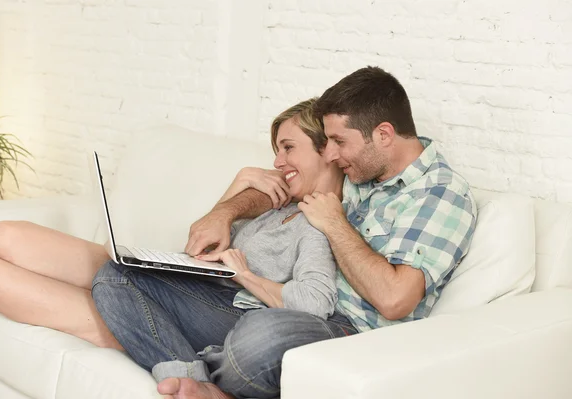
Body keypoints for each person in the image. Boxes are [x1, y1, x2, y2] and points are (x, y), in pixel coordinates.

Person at [148, 66, 478, 399]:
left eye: (338, 141)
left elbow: (395, 300)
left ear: (383, 135)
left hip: (350, 332)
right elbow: (281, 187)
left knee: (260, 336)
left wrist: (334, 222)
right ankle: (202, 381)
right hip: (286, 307)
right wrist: (226, 211)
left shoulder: (439, 195)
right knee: (122, 279)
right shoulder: (363, 165)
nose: (330, 154)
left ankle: (213, 372)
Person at [91, 98, 354, 391]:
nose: (278, 162)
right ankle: (190, 379)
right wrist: (240, 182)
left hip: (245, 313)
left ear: (326, 150)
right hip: (215, 297)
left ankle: (195, 383)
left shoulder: (320, 221)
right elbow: (205, 240)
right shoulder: (278, 206)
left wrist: (246, 276)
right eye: (277, 151)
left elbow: (314, 301)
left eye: (288, 147)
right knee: (112, 275)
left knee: (118, 281)